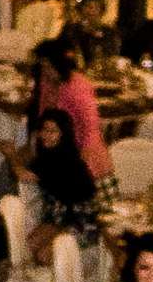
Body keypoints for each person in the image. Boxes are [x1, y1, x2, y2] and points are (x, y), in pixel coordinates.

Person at [13, 108, 100, 264]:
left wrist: (10, 153)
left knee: (44, 255)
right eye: (44, 130)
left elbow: (22, 173)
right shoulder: (48, 156)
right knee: (30, 244)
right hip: (60, 220)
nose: (46, 135)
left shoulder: (63, 159)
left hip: (83, 221)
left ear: (63, 134)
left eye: (53, 131)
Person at [33, 36, 112, 181]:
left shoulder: (77, 87)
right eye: (43, 66)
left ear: (59, 64)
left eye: (48, 66)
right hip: (58, 146)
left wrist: (82, 161)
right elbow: (43, 112)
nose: (45, 70)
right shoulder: (47, 80)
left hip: (81, 150)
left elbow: (91, 127)